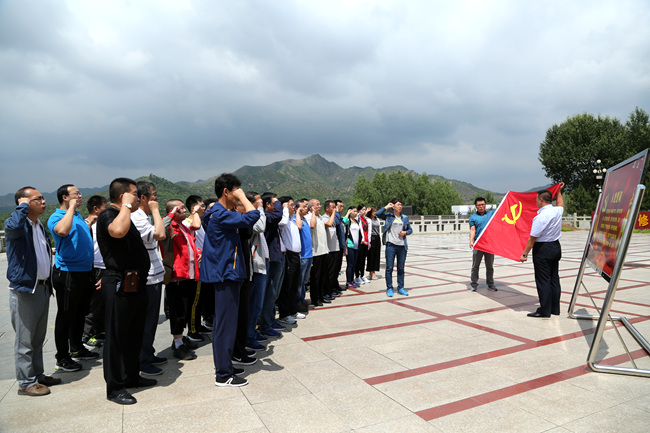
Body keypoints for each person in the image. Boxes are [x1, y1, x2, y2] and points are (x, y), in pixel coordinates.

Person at [96, 177, 155, 405]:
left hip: (135, 282)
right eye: (134, 193)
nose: (139, 197)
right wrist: (128, 205)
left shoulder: (125, 215)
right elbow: (118, 232)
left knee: (133, 333)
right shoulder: (109, 215)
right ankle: (115, 387)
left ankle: (131, 375)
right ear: (123, 196)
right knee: (117, 337)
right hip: (119, 282)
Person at [200, 173, 259, 387]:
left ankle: (226, 365)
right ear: (226, 191)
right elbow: (252, 216)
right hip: (225, 273)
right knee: (225, 324)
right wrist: (243, 198)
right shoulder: (219, 213)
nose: (239, 195)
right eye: (236, 191)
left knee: (226, 323)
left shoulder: (218, 213)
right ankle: (223, 374)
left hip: (227, 273)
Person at [6, 187, 61, 396]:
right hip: (26, 290)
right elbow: (12, 227)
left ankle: (38, 375)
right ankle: (26, 383)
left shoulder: (39, 225)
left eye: (43, 198)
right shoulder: (18, 225)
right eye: (38, 199)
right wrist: (22, 207)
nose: (43, 201)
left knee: (38, 338)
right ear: (24, 202)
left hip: (43, 287)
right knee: (25, 340)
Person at [47, 184, 98, 372]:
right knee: (66, 315)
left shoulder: (76, 216)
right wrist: (70, 209)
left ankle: (76, 348)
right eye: (76, 194)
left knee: (80, 313)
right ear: (64, 197)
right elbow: (62, 231)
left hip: (84, 271)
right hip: (68, 272)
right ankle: (62, 357)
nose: (80, 196)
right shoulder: (56, 217)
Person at [131, 181, 167, 376]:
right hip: (146, 278)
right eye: (153, 194)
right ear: (143, 197)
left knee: (151, 321)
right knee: (146, 321)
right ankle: (142, 360)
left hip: (154, 275)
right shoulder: (137, 217)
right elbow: (160, 234)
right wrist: (156, 211)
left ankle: (148, 353)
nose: (156, 198)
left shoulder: (144, 217)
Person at [161, 199, 201, 360]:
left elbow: (194, 232)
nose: (185, 210)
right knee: (177, 312)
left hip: (189, 274)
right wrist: (171, 214)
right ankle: (178, 344)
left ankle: (180, 339)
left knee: (185, 311)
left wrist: (198, 253)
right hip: (177, 276)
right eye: (181, 208)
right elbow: (160, 229)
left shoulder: (183, 226)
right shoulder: (169, 226)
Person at [520, 184, 565, 318]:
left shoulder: (540, 217)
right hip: (555, 247)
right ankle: (555, 309)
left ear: (541, 200)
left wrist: (524, 254)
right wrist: (559, 192)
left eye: (536, 200)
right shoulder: (557, 211)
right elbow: (561, 204)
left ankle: (545, 310)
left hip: (543, 249)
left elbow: (532, 239)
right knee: (554, 278)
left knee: (543, 280)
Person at [82, 195, 108, 348]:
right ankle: (86, 335)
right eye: (105, 207)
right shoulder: (87, 225)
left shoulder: (104, 224)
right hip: (94, 267)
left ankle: (100, 331)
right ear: (96, 208)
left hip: (104, 267)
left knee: (102, 303)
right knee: (92, 304)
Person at [376, 198, 412, 297]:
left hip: (402, 246)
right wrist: (387, 207)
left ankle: (401, 287)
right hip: (390, 245)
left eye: (401, 205)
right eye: (398, 204)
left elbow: (410, 230)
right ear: (393, 206)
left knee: (401, 268)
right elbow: (377, 214)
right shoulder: (389, 216)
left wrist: (405, 232)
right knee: (389, 268)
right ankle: (389, 288)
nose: (400, 206)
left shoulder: (404, 218)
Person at [277, 196, 302, 326]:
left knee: (294, 285)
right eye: (291, 205)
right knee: (287, 286)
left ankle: (292, 310)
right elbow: (282, 223)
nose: (294, 207)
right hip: (288, 255)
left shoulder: (292, 221)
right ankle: (284, 314)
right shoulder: (283, 220)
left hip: (296, 256)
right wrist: (285, 209)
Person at [307, 199, 332, 307]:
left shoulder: (320, 217)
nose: (319, 206)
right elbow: (312, 226)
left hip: (324, 250)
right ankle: (315, 298)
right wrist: (312, 212)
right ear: (311, 207)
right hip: (315, 252)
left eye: (320, 204)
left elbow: (329, 224)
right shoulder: (309, 217)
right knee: (316, 277)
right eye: (317, 205)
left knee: (323, 276)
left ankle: (321, 296)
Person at [469, 197, 497, 292]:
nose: (481, 206)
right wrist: (471, 241)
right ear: (476, 206)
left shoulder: (491, 214)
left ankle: (490, 284)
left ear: (485, 205)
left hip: (489, 244)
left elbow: (502, 211)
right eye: (479, 205)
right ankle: (474, 284)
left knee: (489, 266)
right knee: (475, 266)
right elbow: (472, 230)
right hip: (478, 244)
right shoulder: (473, 217)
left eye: (483, 204)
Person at [295, 198, 312, 315]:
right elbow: (299, 227)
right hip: (302, 255)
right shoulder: (296, 219)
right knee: (299, 281)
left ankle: (302, 299)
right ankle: (298, 302)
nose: (306, 208)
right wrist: (297, 213)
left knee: (304, 281)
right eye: (304, 206)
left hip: (309, 254)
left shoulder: (305, 219)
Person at [343, 206, 360, 290]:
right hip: (350, 245)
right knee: (350, 264)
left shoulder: (356, 221)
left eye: (356, 211)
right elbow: (344, 221)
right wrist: (348, 213)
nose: (355, 213)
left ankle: (352, 280)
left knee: (354, 264)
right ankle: (348, 281)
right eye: (354, 211)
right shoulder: (348, 221)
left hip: (356, 246)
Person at [354, 204, 371, 285]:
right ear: (359, 210)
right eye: (363, 209)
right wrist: (358, 214)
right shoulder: (358, 218)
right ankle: (357, 276)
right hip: (360, 242)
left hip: (366, 242)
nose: (364, 211)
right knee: (358, 260)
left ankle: (362, 275)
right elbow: (355, 218)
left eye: (365, 209)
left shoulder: (366, 219)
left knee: (363, 260)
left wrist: (369, 242)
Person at [365, 206, 381, 280]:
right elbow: (360, 218)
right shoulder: (367, 219)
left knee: (376, 256)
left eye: (376, 211)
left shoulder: (377, 219)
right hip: (371, 238)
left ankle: (373, 271)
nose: (375, 213)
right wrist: (366, 211)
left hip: (377, 238)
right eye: (373, 211)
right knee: (371, 256)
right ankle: (372, 272)